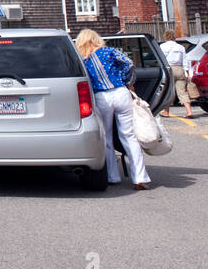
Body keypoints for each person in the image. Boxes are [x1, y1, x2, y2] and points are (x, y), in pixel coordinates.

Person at [75, 29, 151, 190]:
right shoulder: (108, 51)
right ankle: (140, 177)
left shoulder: (82, 60)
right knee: (129, 135)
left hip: (101, 96)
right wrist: (126, 79)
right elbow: (128, 63)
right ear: (96, 39)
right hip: (120, 92)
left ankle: (112, 176)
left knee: (106, 137)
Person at [159, 32, 192, 118]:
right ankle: (189, 111)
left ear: (165, 36)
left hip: (168, 69)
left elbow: (161, 59)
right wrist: (187, 73)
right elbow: (185, 60)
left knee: (168, 91)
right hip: (179, 69)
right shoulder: (180, 47)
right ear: (174, 37)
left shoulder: (162, 46)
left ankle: (166, 111)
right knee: (182, 91)